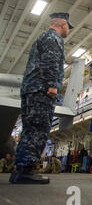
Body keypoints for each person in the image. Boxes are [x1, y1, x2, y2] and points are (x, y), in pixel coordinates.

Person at [10, 12, 73, 184]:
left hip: (33, 89)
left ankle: (21, 169)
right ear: (62, 24)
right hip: (41, 90)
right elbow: (51, 61)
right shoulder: (54, 38)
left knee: (30, 129)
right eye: (68, 26)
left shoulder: (43, 37)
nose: (68, 30)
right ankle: (26, 170)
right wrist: (52, 84)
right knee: (38, 128)